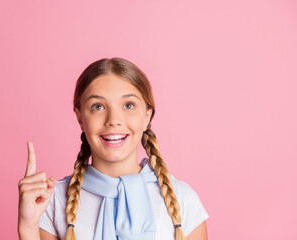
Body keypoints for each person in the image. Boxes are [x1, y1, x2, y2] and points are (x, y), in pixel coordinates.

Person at [18, 57, 209, 240]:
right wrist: (28, 226)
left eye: (128, 105)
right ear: (79, 117)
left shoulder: (182, 199)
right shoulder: (53, 201)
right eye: (98, 107)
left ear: (147, 116)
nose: (113, 120)